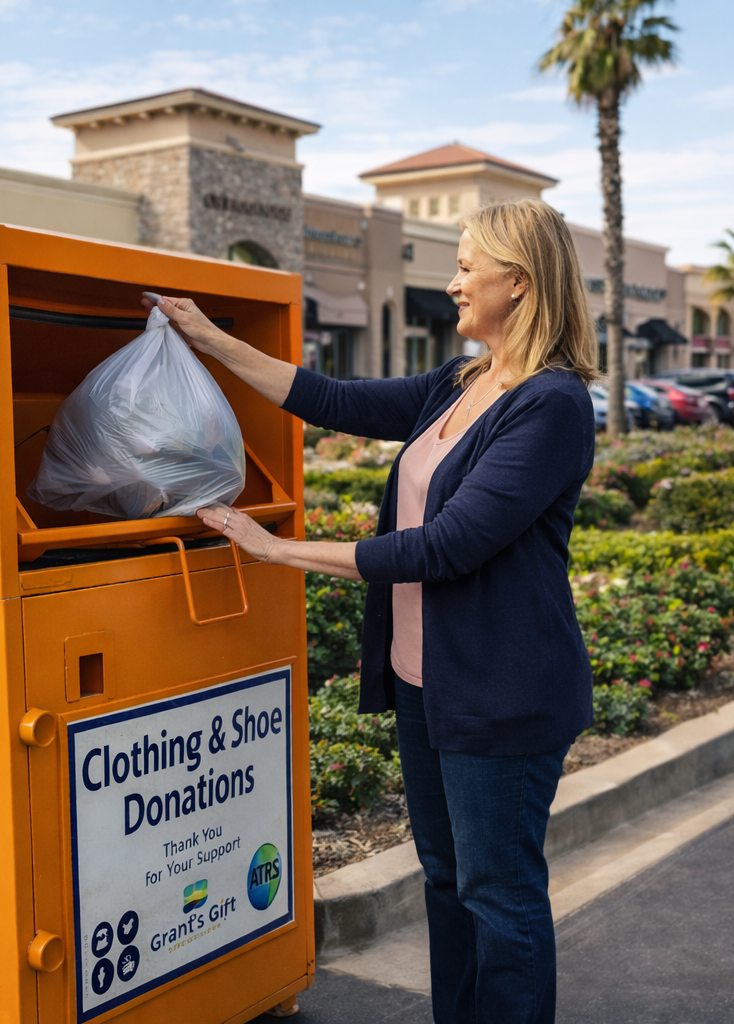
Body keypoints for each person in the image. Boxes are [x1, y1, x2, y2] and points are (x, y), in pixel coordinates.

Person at [143, 199, 599, 1024]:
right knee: (447, 881)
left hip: (502, 692)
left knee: (499, 897)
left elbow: (444, 546)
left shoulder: (551, 405)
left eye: (467, 267)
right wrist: (208, 338)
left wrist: (279, 550)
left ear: (521, 284)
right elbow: (335, 400)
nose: (452, 283)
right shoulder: (461, 382)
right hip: (427, 681)